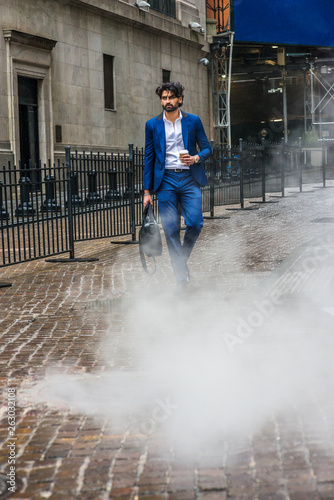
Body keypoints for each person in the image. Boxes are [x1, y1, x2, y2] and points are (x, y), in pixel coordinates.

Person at [143, 81, 212, 286]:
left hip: (190, 178)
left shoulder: (193, 121)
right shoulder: (152, 125)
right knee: (171, 229)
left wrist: (196, 158)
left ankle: (180, 261)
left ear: (179, 99)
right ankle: (181, 278)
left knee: (195, 223)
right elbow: (148, 158)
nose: (167, 101)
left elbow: (207, 148)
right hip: (166, 181)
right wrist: (147, 192)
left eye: (171, 97)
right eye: (164, 98)